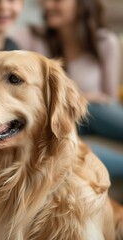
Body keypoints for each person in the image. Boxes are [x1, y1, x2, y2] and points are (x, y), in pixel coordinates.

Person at [10, 0, 123, 179]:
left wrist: (83, 102)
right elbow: (1, 44)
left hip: (94, 117)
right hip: (54, 118)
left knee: (95, 107)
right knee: (61, 143)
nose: (47, 6)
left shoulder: (105, 42)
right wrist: (80, 97)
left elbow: (109, 99)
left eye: (57, 0)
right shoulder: (30, 37)